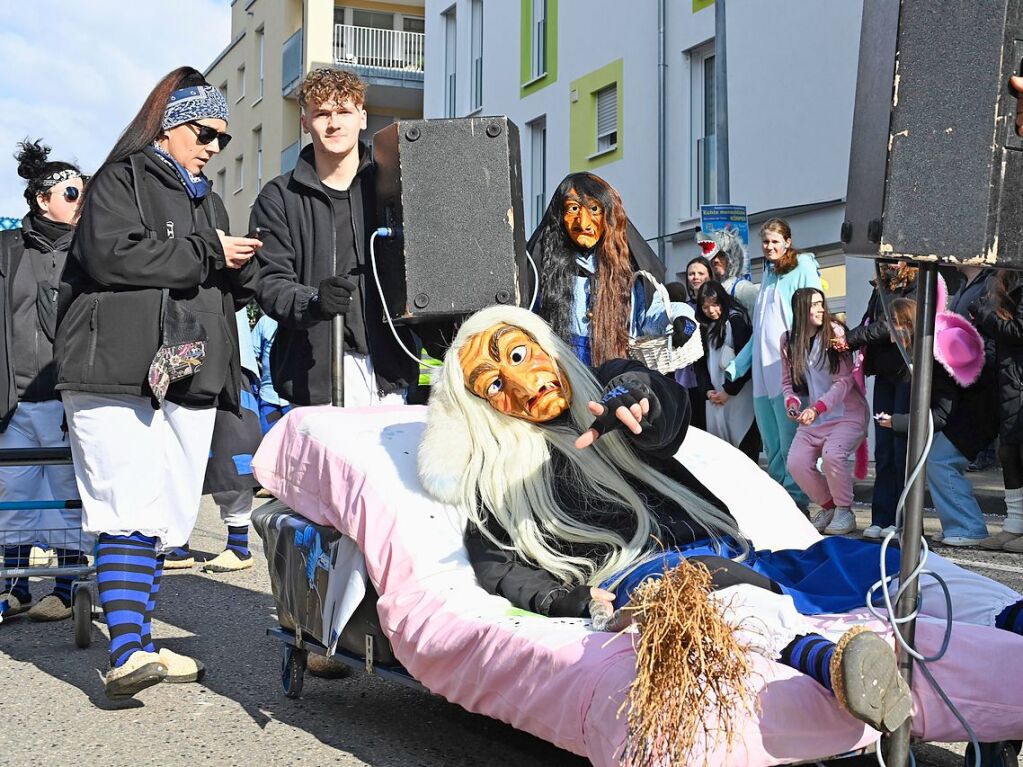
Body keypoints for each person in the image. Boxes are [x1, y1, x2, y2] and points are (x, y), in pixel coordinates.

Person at [417, 305, 1023, 736]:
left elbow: (661, 408)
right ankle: (833, 665)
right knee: (709, 590)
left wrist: (639, 398)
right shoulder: (496, 481)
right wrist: (579, 601)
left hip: (744, 553)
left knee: (881, 560)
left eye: (519, 355)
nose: (519, 384)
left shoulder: (609, 393)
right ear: (480, 406)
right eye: (494, 382)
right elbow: (502, 568)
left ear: (545, 347)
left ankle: (1011, 616)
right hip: (652, 575)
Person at [54, 67, 260, 698]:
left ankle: (140, 644)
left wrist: (248, 276)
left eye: (223, 139)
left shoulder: (209, 200)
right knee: (124, 506)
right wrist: (208, 254)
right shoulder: (120, 178)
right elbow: (110, 254)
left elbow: (213, 282)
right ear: (173, 125)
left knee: (160, 519)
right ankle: (124, 652)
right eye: (205, 132)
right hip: (114, 367)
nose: (214, 147)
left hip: (186, 374)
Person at [251, 68, 416, 407]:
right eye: (322, 113)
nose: (333, 123)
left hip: (389, 371)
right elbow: (269, 282)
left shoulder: (394, 187)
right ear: (304, 122)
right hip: (313, 378)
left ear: (362, 117)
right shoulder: (279, 197)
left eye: (343, 111)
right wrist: (312, 301)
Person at [0, 140, 88, 622]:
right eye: (73, 192)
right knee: (13, 493)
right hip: (13, 397)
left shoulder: (91, 252)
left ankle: (66, 585)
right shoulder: (7, 250)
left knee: (65, 493)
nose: (81, 201)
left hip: (66, 395)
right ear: (42, 198)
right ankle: (15, 587)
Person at [527, 172, 686, 367]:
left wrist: (680, 317)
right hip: (561, 371)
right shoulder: (543, 270)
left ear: (609, 216)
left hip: (613, 368)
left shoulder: (626, 271)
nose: (583, 223)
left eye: (594, 209)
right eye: (573, 209)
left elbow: (650, 313)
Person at [876, 299, 996, 546]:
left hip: (972, 417)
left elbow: (941, 414)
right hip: (969, 414)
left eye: (892, 324)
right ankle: (958, 525)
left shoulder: (933, 356)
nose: (888, 330)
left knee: (941, 461)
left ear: (906, 326)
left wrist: (897, 422)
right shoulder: (928, 350)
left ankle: (969, 527)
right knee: (937, 461)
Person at [726, 218, 823, 511]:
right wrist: (738, 365)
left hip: (787, 370)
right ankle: (781, 496)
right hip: (763, 373)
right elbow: (761, 330)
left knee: (791, 438)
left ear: (787, 242)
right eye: (765, 242)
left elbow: (815, 310)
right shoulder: (767, 274)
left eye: (775, 242)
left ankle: (797, 500)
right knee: (772, 443)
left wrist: (806, 354)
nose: (769, 247)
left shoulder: (802, 266)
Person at [165, 309, 263, 572]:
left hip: (232, 357)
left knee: (232, 453)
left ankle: (238, 545)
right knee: (178, 454)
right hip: (178, 354)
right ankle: (177, 541)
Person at [840, 261, 918, 539]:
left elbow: (891, 327)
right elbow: (869, 322)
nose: (890, 264)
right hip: (884, 374)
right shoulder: (880, 286)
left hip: (907, 372)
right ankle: (881, 517)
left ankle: (903, 520)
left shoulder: (918, 283)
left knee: (901, 451)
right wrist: (846, 336)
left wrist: (852, 339)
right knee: (883, 451)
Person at [781, 289, 868, 535]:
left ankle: (844, 510)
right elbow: (787, 384)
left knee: (832, 456)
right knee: (796, 462)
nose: (821, 309)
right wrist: (792, 403)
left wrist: (817, 408)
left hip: (847, 414)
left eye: (822, 304)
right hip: (814, 417)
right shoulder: (788, 340)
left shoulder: (834, 333)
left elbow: (845, 381)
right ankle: (829, 507)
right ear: (800, 309)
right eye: (814, 305)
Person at [975, 271, 1023, 552]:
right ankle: (1014, 525)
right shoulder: (1005, 280)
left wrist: (984, 314)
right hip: (1010, 378)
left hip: (1018, 377)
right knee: (1008, 452)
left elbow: (1018, 331)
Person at [693, 281, 759, 461]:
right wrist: (707, 391)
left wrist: (729, 391)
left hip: (738, 397)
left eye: (715, 305)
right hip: (714, 398)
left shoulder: (735, 321)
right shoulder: (703, 328)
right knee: (720, 453)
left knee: (744, 451)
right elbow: (699, 364)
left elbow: (745, 361)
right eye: (705, 307)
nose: (711, 310)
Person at [698, 227, 759, 316]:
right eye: (713, 256)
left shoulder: (744, 289)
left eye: (721, 255)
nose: (716, 260)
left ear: (733, 258)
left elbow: (755, 322)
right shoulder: (707, 289)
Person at [250, 311, 291, 433]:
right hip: (269, 398)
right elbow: (251, 354)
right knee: (268, 443)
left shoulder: (306, 322)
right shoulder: (265, 322)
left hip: (294, 402)